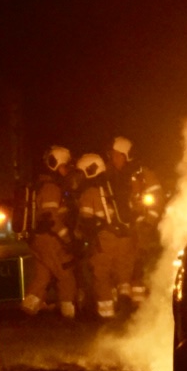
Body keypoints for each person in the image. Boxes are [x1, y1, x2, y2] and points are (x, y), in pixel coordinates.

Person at [21, 145, 78, 319]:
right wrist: (67, 238)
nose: (66, 171)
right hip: (50, 240)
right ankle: (69, 313)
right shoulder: (52, 188)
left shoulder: (40, 185)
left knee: (42, 277)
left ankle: (28, 307)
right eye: (65, 166)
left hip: (38, 240)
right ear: (58, 166)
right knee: (66, 275)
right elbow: (51, 218)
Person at [77, 152, 132, 318]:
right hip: (122, 237)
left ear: (89, 171)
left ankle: (106, 315)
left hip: (104, 240)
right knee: (120, 272)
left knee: (101, 275)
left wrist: (80, 239)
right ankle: (125, 306)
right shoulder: (112, 187)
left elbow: (86, 222)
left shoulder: (89, 193)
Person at [109, 136, 162, 302]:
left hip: (141, 227)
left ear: (125, 155)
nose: (113, 158)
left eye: (116, 155)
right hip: (124, 228)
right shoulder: (113, 176)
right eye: (112, 155)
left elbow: (157, 199)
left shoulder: (143, 174)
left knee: (138, 264)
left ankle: (138, 304)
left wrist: (148, 222)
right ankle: (124, 302)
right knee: (122, 264)